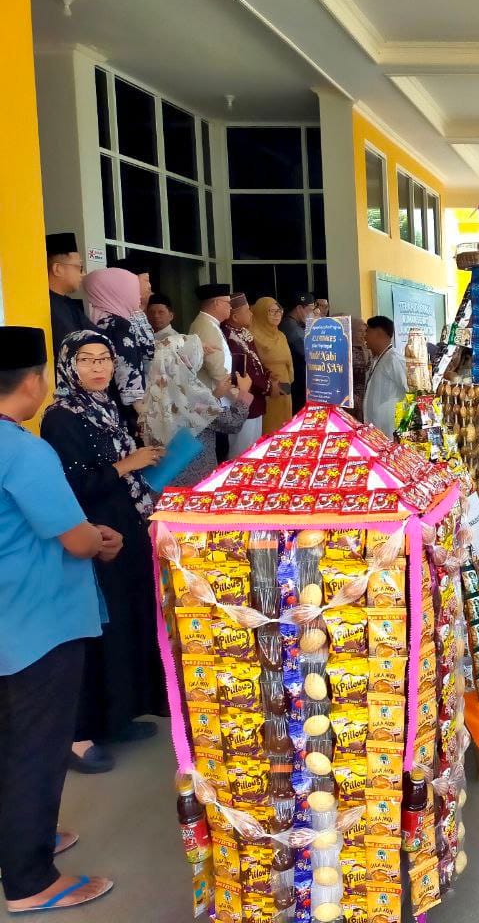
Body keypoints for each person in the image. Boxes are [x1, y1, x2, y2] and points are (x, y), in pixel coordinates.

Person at [0, 326, 119, 913]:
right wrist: (99, 539)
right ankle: (28, 879)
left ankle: (16, 841)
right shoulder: (22, 449)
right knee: (36, 746)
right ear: (30, 382)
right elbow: (74, 540)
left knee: (8, 740)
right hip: (35, 620)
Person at [41, 332, 167, 775]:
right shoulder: (61, 417)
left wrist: (144, 462)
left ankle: (119, 716)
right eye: (86, 360)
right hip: (93, 532)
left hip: (125, 524)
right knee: (97, 629)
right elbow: (72, 486)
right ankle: (83, 731)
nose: (97, 368)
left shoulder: (106, 407)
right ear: (67, 366)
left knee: (125, 621)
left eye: (105, 360)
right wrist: (127, 465)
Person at [142, 335, 253, 486]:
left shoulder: (152, 387)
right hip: (193, 469)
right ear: (184, 360)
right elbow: (231, 423)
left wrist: (214, 396)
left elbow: (189, 413)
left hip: (165, 471)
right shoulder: (192, 391)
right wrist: (243, 394)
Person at [81, 267, 154, 416]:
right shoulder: (121, 326)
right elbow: (129, 378)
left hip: (103, 403)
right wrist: (144, 417)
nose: (136, 295)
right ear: (120, 292)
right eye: (132, 289)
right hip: (125, 409)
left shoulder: (97, 321)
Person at [221, 293, 270, 457]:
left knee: (254, 447)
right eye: (247, 310)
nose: (251, 314)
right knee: (241, 450)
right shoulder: (228, 336)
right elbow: (243, 370)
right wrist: (266, 386)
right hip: (244, 398)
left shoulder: (242, 332)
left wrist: (267, 379)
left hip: (255, 399)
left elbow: (256, 363)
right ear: (235, 316)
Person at [251, 297, 295, 434]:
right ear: (261, 312)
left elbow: (288, 362)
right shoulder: (252, 335)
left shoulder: (281, 335)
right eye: (271, 311)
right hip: (267, 388)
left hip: (285, 385)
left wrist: (288, 383)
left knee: (284, 425)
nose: (277, 315)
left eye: (279, 311)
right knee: (270, 426)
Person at [363, 316, 407, 437]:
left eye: (368, 332)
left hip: (391, 432)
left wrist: (403, 429)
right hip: (377, 431)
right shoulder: (377, 359)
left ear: (379, 333)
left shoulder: (394, 359)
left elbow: (410, 392)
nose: (364, 336)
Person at [46, 232, 91, 352]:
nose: (83, 273)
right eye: (79, 267)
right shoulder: (45, 305)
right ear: (58, 269)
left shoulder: (70, 304)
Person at [189, 283, 232, 393]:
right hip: (216, 392)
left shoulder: (208, 323)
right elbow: (217, 369)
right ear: (216, 303)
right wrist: (238, 393)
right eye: (228, 303)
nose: (230, 307)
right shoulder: (206, 326)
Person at [280, 294, 316, 414]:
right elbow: (308, 352)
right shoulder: (290, 327)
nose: (311, 314)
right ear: (299, 308)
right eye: (310, 310)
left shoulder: (295, 324)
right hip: (296, 382)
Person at [350, 317, 370, 423]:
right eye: (359, 331)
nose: (363, 335)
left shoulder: (368, 350)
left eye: (365, 331)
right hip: (351, 399)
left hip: (366, 396)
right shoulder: (346, 351)